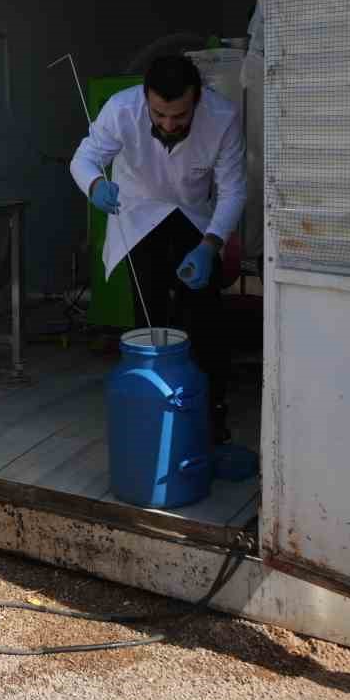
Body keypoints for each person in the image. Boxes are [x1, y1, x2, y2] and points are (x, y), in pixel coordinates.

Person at [70, 53, 247, 442]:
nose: (168, 125)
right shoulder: (122, 109)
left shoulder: (222, 117)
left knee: (204, 317)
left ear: (198, 98)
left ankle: (211, 412)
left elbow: (233, 190)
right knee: (150, 318)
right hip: (138, 216)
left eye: (179, 116)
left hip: (194, 217)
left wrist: (210, 246)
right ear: (145, 97)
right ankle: (152, 409)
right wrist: (96, 185)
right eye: (159, 114)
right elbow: (84, 159)